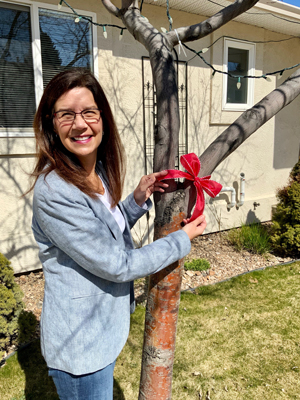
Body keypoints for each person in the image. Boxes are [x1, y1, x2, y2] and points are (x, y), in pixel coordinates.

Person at [29, 68, 207, 400]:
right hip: (81, 347)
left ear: (103, 118)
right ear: (52, 124)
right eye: (66, 114)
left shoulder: (95, 173)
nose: (80, 124)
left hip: (101, 332)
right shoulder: (54, 190)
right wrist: (180, 241)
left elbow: (103, 231)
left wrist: (137, 200)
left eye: (88, 112)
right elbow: (117, 264)